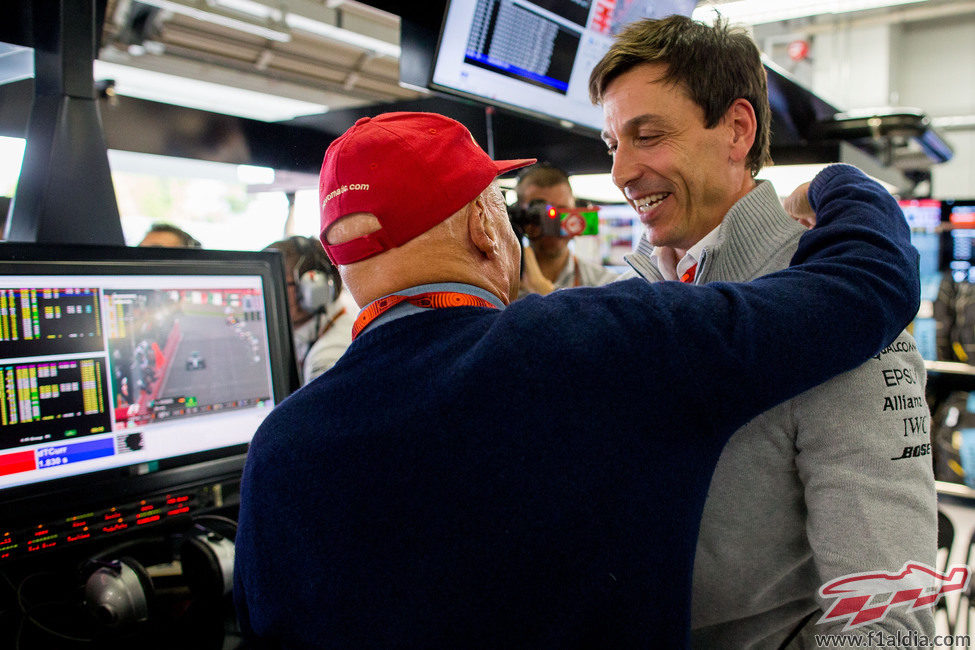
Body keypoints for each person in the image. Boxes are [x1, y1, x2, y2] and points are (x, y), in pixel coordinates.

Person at [233, 111, 920, 648]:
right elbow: (864, 288)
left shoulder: (279, 451)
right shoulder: (598, 342)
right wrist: (840, 185)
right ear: (483, 226)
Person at [589, 15, 936, 646]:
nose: (621, 173)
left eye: (649, 136)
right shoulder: (618, 304)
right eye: (613, 144)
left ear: (737, 129)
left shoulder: (843, 317)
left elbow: (887, 614)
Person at [514, 163, 618, 295]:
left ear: (576, 210)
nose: (553, 223)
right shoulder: (502, 285)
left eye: (563, 211)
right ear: (519, 217)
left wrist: (544, 292)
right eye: (539, 213)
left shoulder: (604, 285)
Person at [263, 235, 353, 384]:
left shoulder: (329, 356)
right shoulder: (316, 325)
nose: (266, 293)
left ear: (312, 290)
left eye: (277, 283)